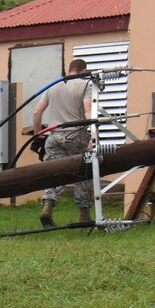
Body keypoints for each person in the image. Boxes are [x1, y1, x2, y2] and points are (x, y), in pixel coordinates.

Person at [30, 59, 98, 227]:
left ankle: (48, 206)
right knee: (83, 172)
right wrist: (94, 137)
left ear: (69, 70)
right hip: (77, 136)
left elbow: (37, 112)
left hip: (54, 138)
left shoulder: (53, 85)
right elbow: (89, 111)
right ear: (84, 70)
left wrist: (38, 135)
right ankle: (84, 214)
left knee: (55, 173)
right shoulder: (86, 85)